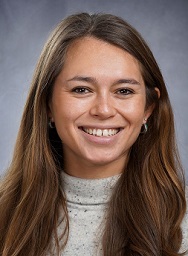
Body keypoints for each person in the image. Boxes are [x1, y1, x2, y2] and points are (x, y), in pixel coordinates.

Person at [0, 12, 187, 256]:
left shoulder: (182, 222)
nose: (104, 110)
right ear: (48, 105)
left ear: (148, 109)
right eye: (81, 89)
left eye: (124, 91)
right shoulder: (5, 217)